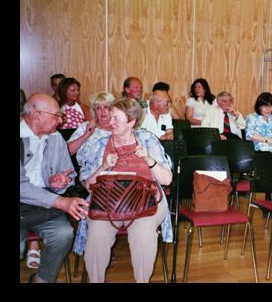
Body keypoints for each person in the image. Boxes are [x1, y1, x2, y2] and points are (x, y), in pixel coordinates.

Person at [73, 97, 173, 283]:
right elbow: (87, 185)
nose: (109, 122)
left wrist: (148, 159)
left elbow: (167, 179)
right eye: (110, 117)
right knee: (97, 234)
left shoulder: (147, 139)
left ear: (131, 122)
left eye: (115, 118)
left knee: (144, 233)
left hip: (146, 201)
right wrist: (103, 167)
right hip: (106, 201)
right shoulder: (100, 144)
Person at [20, 94, 89, 283]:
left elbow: (70, 175)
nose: (60, 121)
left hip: (44, 205)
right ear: (36, 115)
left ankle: (43, 279)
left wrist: (59, 182)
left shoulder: (56, 138)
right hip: (28, 204)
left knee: (64, 234)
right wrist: (61, 201)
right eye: (56, 115)